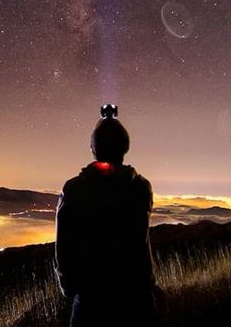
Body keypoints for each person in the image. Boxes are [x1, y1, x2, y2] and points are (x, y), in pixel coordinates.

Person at [55, 108, 158, 326]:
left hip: (91, 300)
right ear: (125, 146)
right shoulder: (140, 187)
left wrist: (69, 288)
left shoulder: (74, 189)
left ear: (93, 148)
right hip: (137, 296)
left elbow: (63, 247)